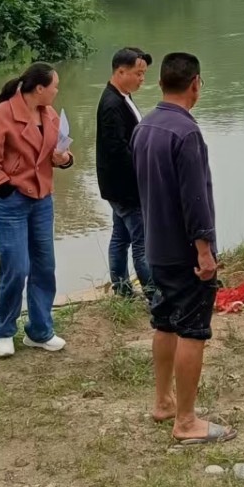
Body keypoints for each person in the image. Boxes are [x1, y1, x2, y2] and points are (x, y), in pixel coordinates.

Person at [131, 51, 234, 445]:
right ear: (196, 85)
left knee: (164, 322)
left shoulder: (144, 127)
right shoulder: (186, 133)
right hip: (183, 252)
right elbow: (196, 201)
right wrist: (204, 252)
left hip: (155, 247)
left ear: (160, 84)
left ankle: (163, 402)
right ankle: (186, 421)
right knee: (192, 330)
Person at [0, 61, 75, 359]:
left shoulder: (50, 115)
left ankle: (40, 331)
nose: (57, 90)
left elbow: (58, 153)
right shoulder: (2, 115)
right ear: (39, 88)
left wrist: (63, 158)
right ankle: (4, 331)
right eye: (54, 86)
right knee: (15, 268)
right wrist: (1, 185)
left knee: (44, 267)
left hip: (42, 199)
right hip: (11, 201)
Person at [97, 46, 155, 302]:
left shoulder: (122, 96)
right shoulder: (112, 104)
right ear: (121, 71)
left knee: (121, 237)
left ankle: (122, 288)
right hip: (126, 187)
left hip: (119, 186)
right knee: (142, 243)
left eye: (143, 74)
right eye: (138, 74)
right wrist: (145, 172)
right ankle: (156, 297)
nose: (142, 79)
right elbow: (118, 151)